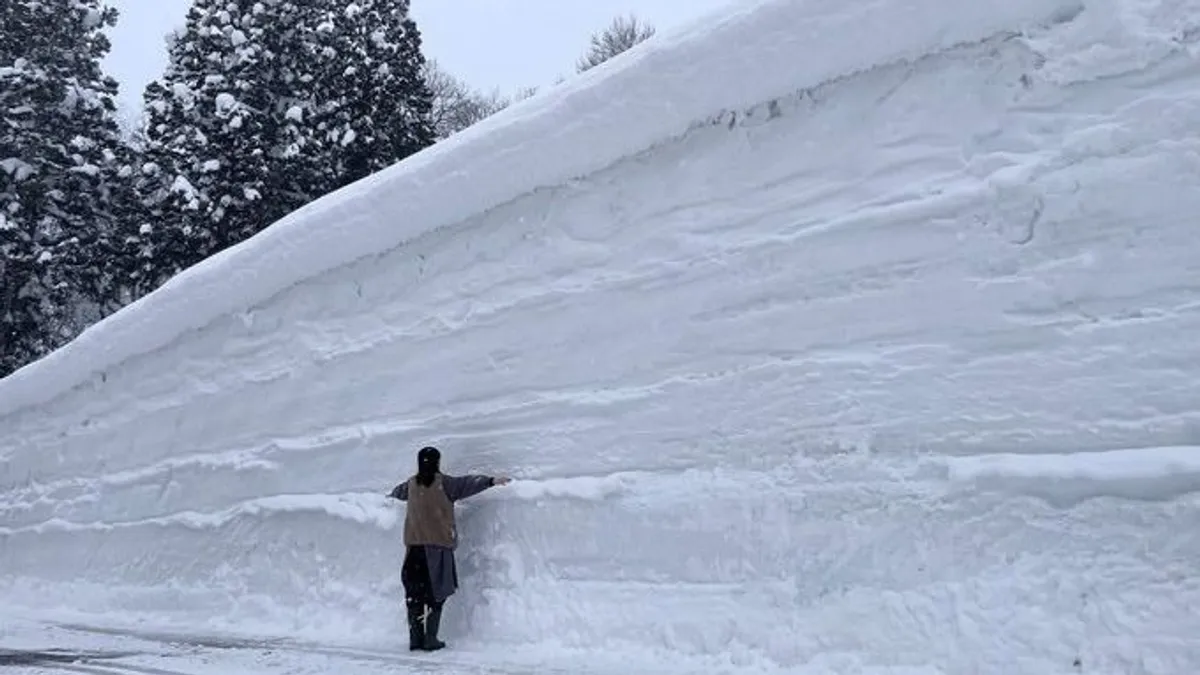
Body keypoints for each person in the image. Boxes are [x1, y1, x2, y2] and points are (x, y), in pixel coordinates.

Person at [387, 446, 511, 651]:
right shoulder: (444, 484)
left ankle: (416, 639)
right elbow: (468, 484)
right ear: (437, 462)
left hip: (413, 552)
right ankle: (430, 639)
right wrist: (491, 481)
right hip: (436, 550)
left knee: (414, 595)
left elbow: (396, 493)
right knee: (437, 593)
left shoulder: (410, 484)